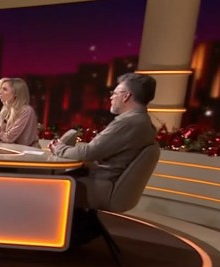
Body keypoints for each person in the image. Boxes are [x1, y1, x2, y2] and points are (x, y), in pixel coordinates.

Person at [49, 72, 157, 244]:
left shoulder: (128, 123)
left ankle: (44, 236)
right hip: (104, 180)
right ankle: (73, 232)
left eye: (115, 93)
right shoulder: (142, 122)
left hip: (101, 182)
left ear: (126, 96)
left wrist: (59, 148)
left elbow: (88, 153)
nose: (111, 97)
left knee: (43, 184)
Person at [0, 77, 39, 146]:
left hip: (27, 151)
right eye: (0, 89)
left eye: (5, 89)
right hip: (10, 149)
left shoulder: (27, 111)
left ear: (16, 93)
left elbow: (9, 138)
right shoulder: (5, 109)